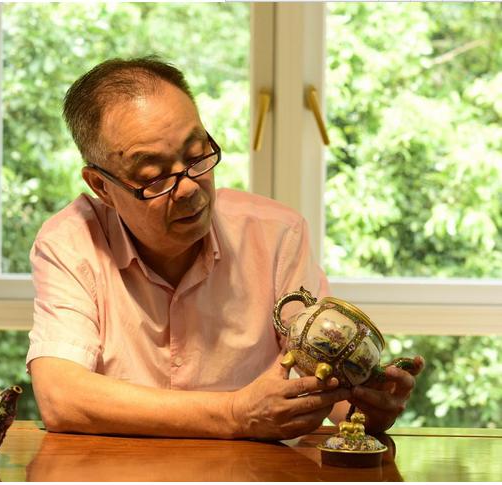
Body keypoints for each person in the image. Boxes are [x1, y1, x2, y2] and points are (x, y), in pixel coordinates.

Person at [26, 56, 424, 440]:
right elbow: (61, 398)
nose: (188, 188)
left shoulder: (275, 236)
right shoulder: (71, 242)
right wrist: (235, 414)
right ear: (101, 187)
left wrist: (364, 409)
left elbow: (327, 387)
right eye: (154, 176)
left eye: (196, 156)